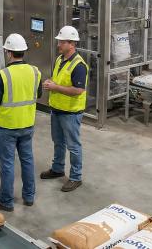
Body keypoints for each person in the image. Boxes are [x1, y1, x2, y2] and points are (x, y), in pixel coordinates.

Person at [0, 34, 42, 212]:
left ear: (8, 53)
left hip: (7, 127)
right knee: (27, 160)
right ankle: (29, 197)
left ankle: (6, 201)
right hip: (27, 125)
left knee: (8, 164)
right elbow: (38, 94)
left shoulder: (2, 75)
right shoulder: (35, 71)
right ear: (23, 52)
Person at [41, 26, 88, 193]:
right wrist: (50, 82)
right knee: (58, 142)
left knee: (73, 146)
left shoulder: (79, 65)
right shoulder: (60, 59)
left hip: (70, 113)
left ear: (71, 44)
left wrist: (56, 87)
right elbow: (58, 80)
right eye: (59, 41)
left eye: (62, 41)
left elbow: (78, 90)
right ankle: (57, 168)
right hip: (57, 109)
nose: (58, 44)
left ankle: (76, 177)